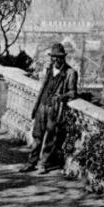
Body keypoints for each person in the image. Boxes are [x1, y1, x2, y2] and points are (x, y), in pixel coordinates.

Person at [20, 42, 78, 174]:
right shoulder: (49, 70)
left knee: (50, 137)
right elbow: (42, 89)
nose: (56, 59)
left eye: (58, 57)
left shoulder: (70, 73)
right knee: (37, 136)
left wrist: (62, 96)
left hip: (55, 109)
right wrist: (35, 107)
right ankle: (31, 162)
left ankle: (43, 164)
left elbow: (73, 92)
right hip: (42, 106)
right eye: (54, 56)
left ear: (63, 57)